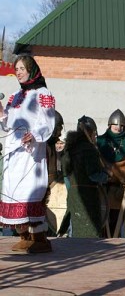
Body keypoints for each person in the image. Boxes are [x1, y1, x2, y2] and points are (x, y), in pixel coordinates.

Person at [0, 55, 55, 253]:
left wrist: (34, 134)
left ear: (32, 69)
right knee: (13, 192)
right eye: (16, 69)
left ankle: (39, 238)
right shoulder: (15, 96)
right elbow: (7, 124)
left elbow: (48, 122)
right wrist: (1, 112)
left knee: (30, 191)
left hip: (31, 153)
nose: (18, 72)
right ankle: (24, 236)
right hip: (13, 153)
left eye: (22, 68)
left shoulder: (43, 93)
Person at [60, 116, 108, 238]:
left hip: (73, 197)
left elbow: (66, 175)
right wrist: (106, 176)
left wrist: (71, 191)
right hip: (88, 198)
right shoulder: (89, 150)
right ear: (90, 132)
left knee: (73, 228)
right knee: (88, 232)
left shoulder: (70, 149)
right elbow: (93, 175)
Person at [97, 109, 125, 238]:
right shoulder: (99, 142)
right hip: (101, 191)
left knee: (115, 225)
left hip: (118, 193)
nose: (118, 127)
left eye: (121, 125)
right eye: (116, 124)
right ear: (109, 125)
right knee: (100, 227)